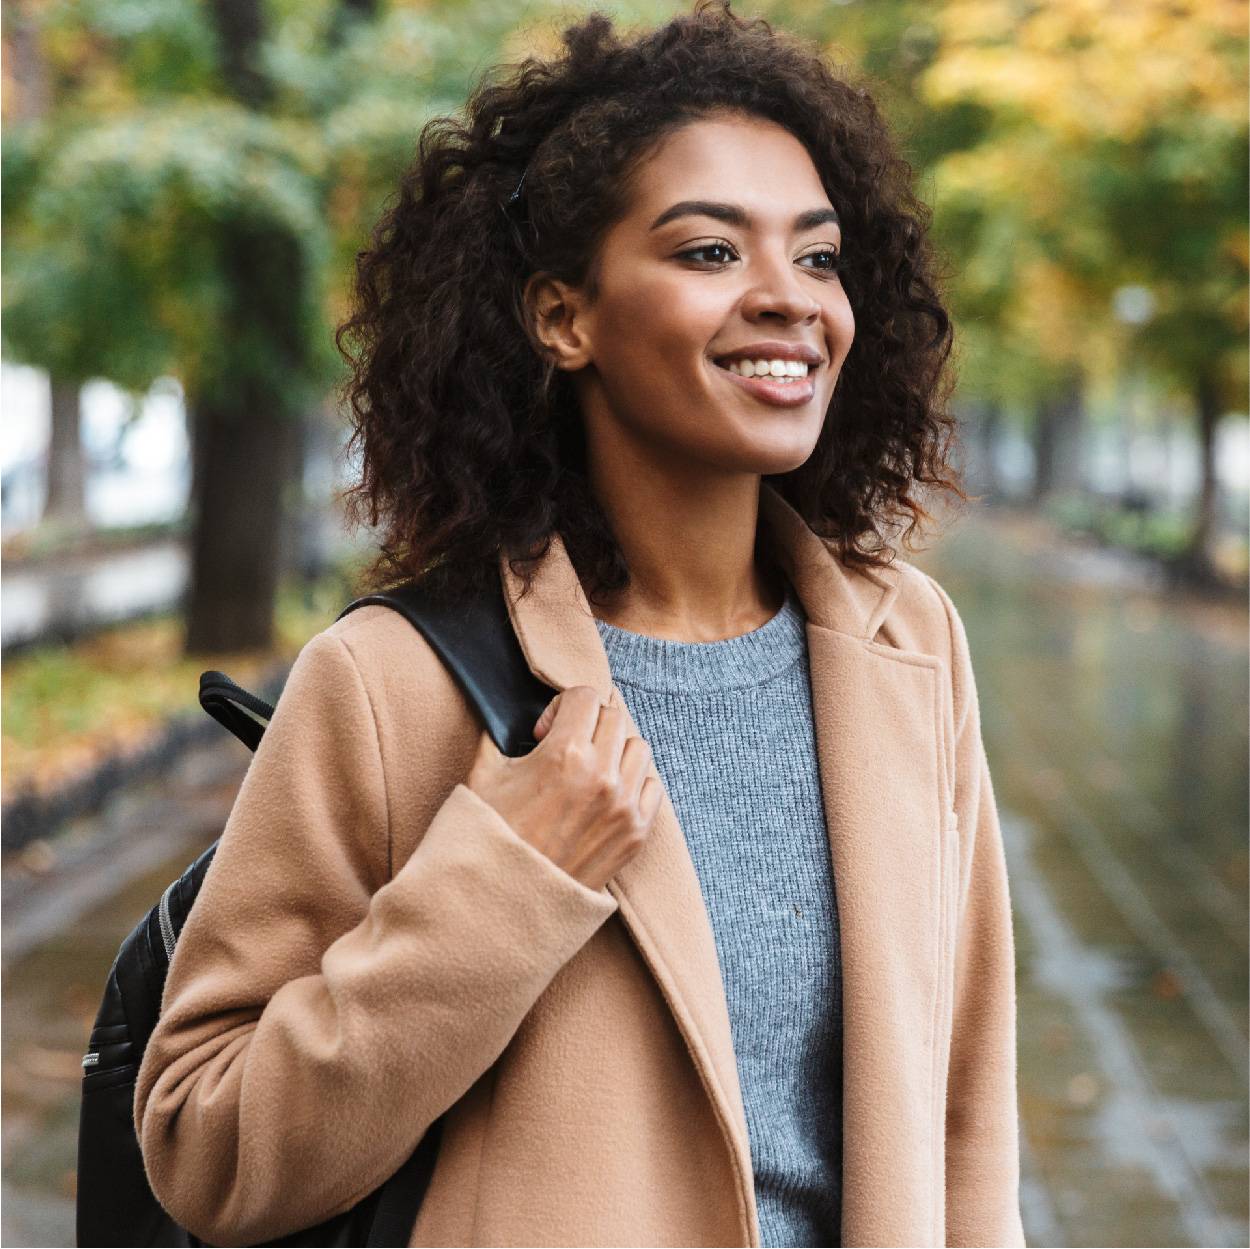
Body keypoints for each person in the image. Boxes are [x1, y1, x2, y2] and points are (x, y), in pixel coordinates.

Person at [134, 3, 1025, 1246]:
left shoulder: (907, 648)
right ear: (564, 316)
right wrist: (502, 881)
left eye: (816, 258)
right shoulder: (392, 682)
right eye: (710, 252)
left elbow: (966, 1116)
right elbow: (204, 1146)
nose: (787, 300)